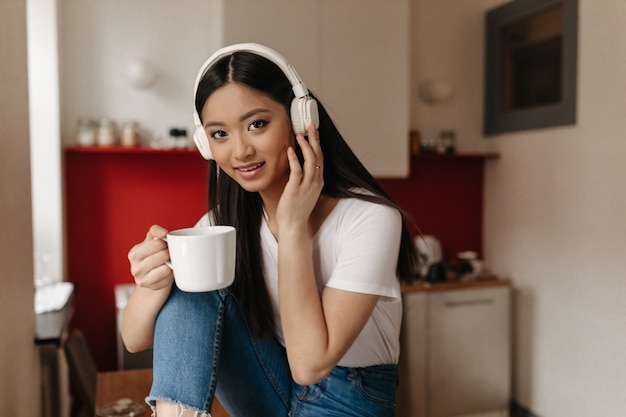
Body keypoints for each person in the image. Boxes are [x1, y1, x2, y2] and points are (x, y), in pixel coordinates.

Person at [122, 43, 418, 417]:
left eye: (257, 124)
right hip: (269, 381)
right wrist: (151, 285)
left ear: (300, 120)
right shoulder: (222, 225)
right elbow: (134, 340)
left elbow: (310, 365)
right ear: (205, 145)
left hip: (351, 392)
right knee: (191, 285)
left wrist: (293, 227)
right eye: (219, 134)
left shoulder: (369, 219)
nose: (241, 151)